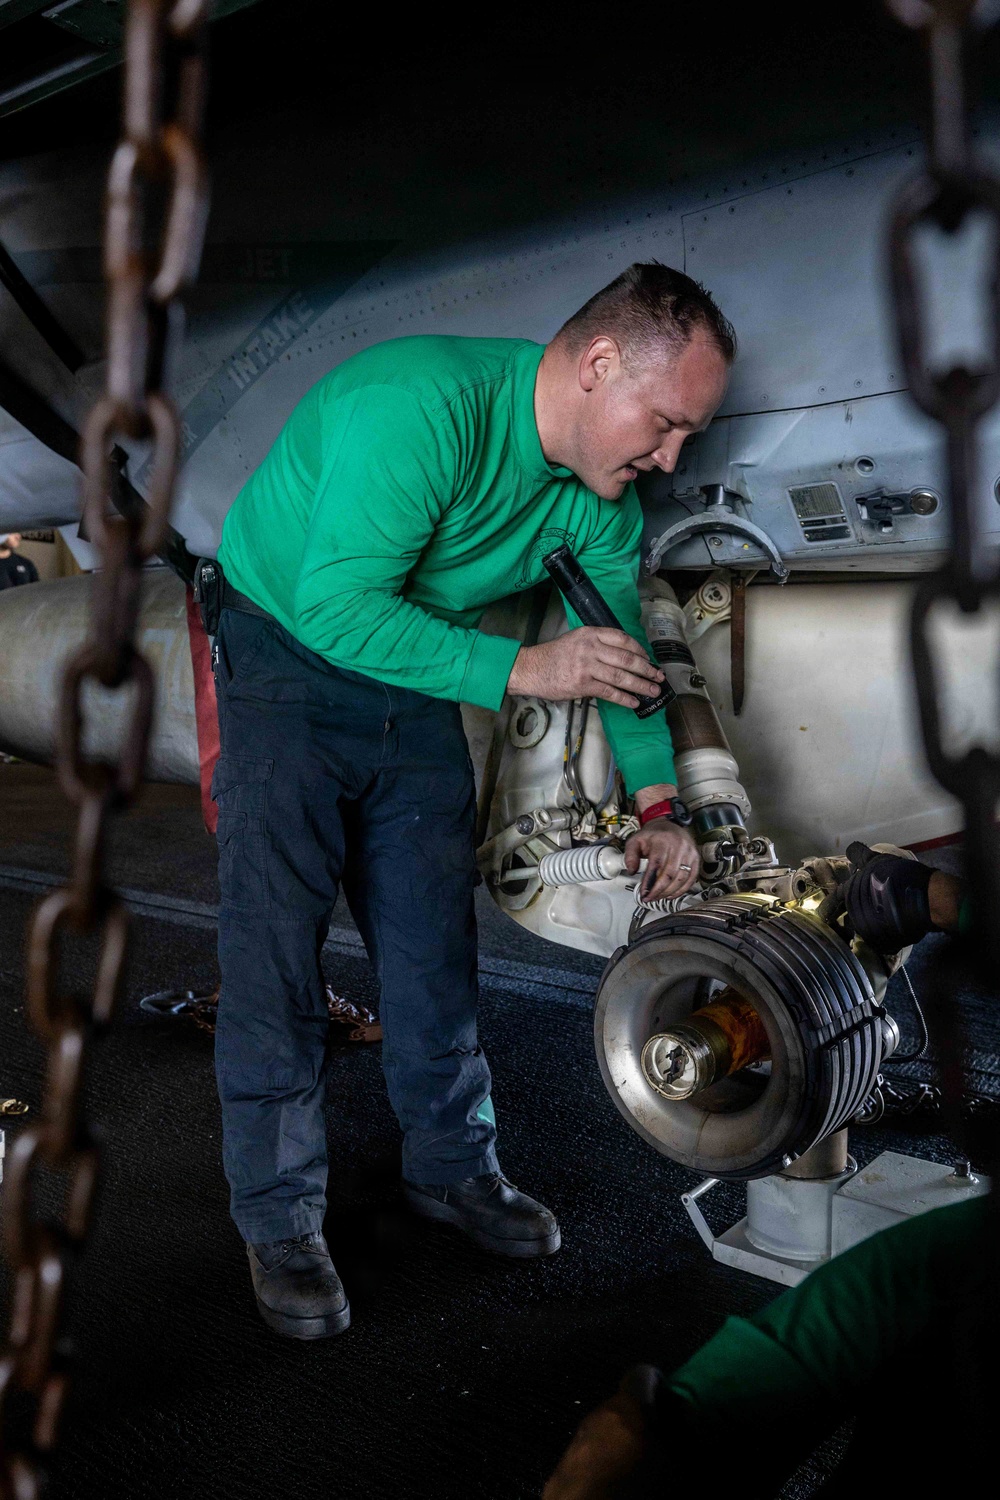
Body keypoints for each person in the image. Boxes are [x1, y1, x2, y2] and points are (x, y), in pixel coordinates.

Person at [210, 262, 734, 1339]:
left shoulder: (598, 500)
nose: (671, 457)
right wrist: (526, 671)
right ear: (597, 367)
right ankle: (277, 1218)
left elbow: (625, 659)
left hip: (414, 671)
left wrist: (656, 805)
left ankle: (452, 1169)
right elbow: (336, 609)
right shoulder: (417, 409)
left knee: (428, 943)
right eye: (666, 424)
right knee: (276, 949)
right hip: (287, 661)